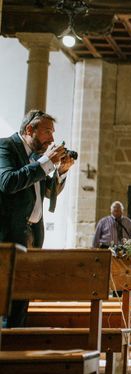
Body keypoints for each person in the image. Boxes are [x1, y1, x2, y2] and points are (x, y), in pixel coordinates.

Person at [0, 109, 75, 327]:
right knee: (7, 299)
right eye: (48, 132)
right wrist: (45, 163)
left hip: (32, 235)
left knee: (23, 298)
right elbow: (7, 182)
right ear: (29, 129)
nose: (52, 139)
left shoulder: (35, 157)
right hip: (9, 236)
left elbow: (47, 193)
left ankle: (15, 351)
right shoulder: (5, 147)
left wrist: (60, 171)